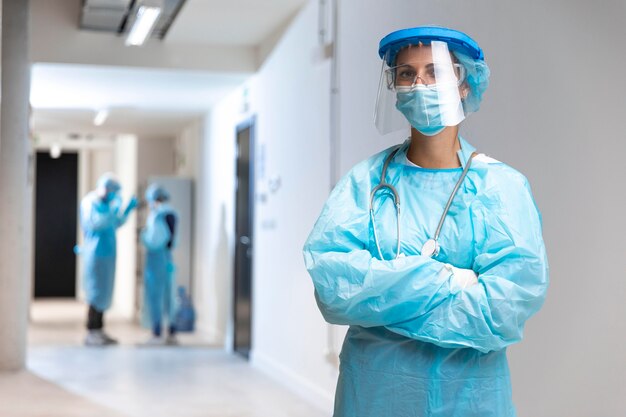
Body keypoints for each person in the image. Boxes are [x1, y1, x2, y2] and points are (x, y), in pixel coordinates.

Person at [303, 26, 549, 417]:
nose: (420, 85)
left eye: (435, 72)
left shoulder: (501, 188)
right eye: (407, 74)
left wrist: (384, 297)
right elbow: (334, 288)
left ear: (464, 84)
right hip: (374, 392)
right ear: (395, 89)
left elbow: (502, 311)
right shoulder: (365, 183)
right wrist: (446, 280)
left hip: (470, 397)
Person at [79, 173, 137, 346]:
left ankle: (99, 330)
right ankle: (91, 331)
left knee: (103, 294)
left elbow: (116, 222)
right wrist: (113, 210)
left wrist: (127, 210)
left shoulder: (107, 205)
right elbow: (96, 223)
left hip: (107, 254)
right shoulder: (90, 202)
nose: (113, 196)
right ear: (104, 189)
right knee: (95, 294)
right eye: (112, 192)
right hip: (95, 255)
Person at [141, 183, 178, 345]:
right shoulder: (172, 214)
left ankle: (157, 333)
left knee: (156, 297)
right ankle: (171, 332)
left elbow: (155, 240)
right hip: (167, 259)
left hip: (157, 260)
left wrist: (143, 235)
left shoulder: (158, 215)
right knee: (169, 296)